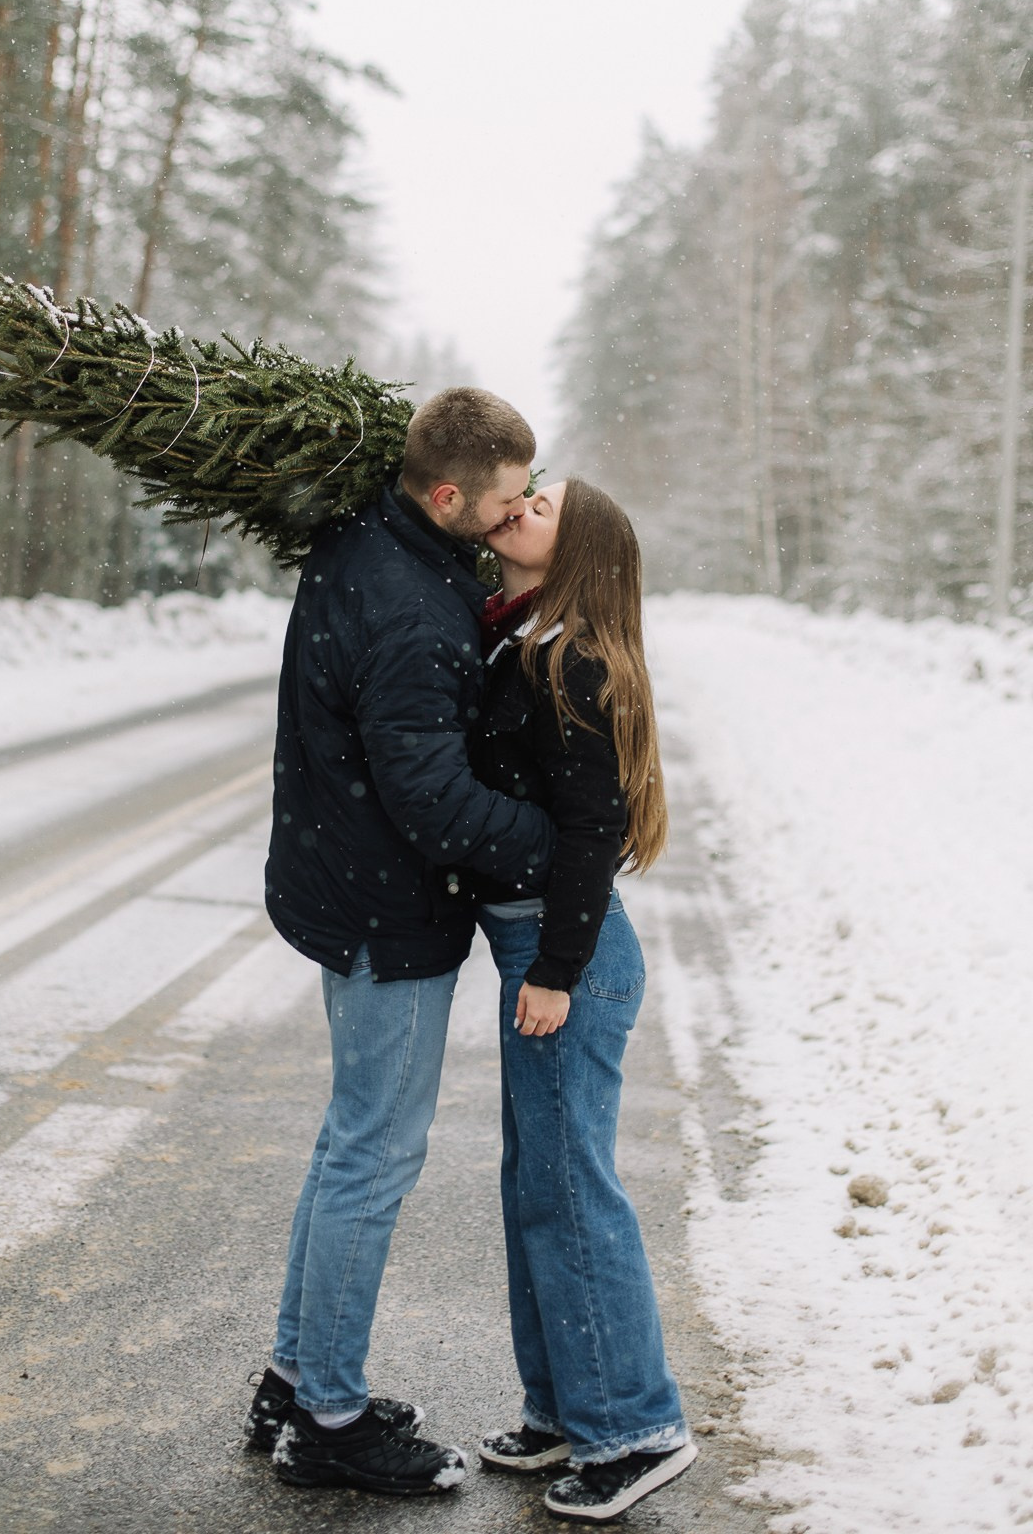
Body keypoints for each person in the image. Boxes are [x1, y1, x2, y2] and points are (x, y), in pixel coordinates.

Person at [244, 388, 556, 1498]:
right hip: (387, 907)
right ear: (448, 494)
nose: (519, 511)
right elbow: (431, 800)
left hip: (344, 881)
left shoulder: (370, 536)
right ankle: (330, 1422)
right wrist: (558, 841)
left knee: (350, 1145)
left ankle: (296, 1379)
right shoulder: (415, 610)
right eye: (507, 497)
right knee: (375, 1157)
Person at [468, 476, 697, 1524]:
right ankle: (564, 1408)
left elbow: (592, 829)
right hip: (542, 947)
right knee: (538, 1187)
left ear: (578, 551)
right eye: (524, 494)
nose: (520, 506)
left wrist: (557, 972)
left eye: (543, 505)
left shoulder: (574, 660)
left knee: (570, 1191)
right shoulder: (521, 636)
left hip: (569, 956)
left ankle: (637, 1427)